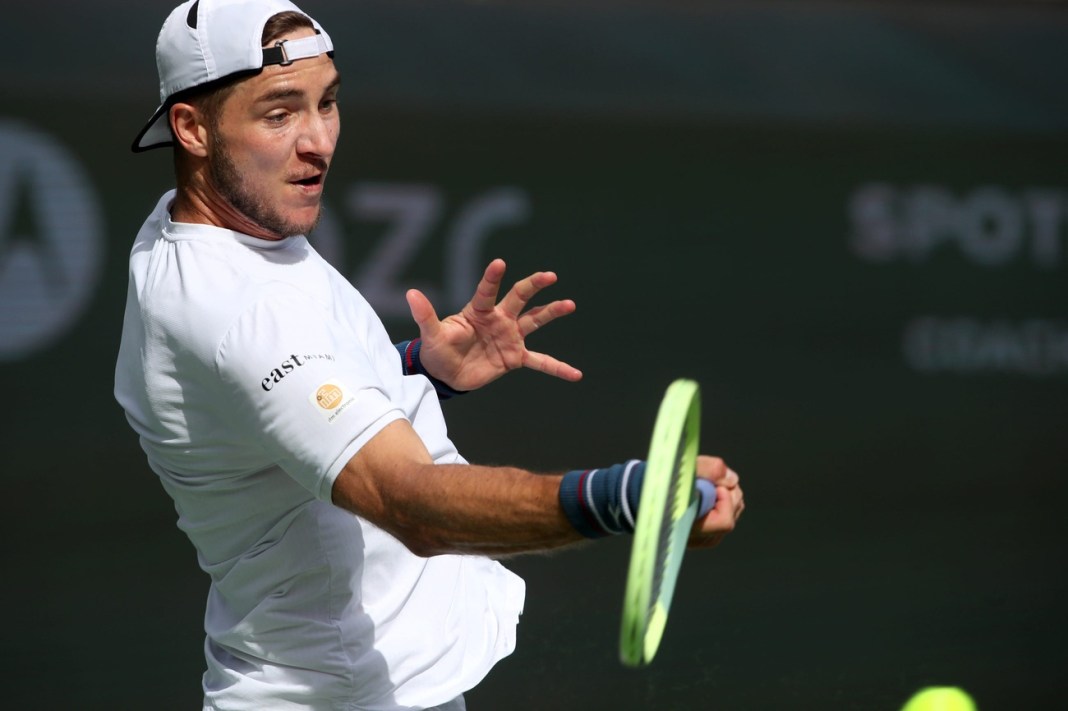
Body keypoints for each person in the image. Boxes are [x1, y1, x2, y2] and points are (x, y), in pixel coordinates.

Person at [114, 1, 745, 709]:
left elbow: (262, 404)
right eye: (279, 113)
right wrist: (628, 497)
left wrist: (413, 366)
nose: (318, 141)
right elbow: (406, 502)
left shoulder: (195, 230)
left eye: (328, 103)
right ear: (192, 128)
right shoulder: (242, 311)